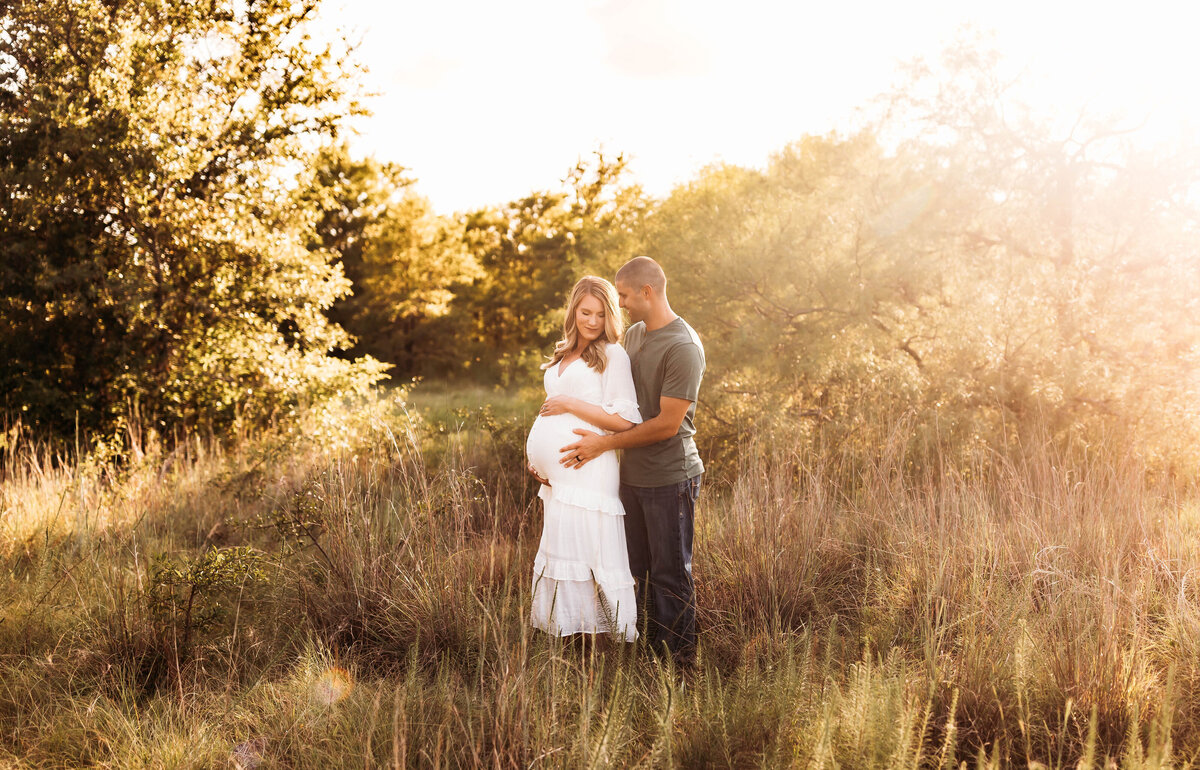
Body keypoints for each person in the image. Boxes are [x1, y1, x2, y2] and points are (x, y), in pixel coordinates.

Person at [560, 256, 705, 667]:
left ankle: (679, 669)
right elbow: (614, 397)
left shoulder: (683, 346)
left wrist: (604, 444)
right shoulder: (638, 335)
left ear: (647, 292)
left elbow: (667, 425)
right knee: (635, 573)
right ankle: (647, 660)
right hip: (632, 477)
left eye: (622, 295)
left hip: (670, 478)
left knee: (670, 576)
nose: (618, 303)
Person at [525, 276, 643, 640]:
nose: (592, 321)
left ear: (610, 317)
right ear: (573, 310)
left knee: (591, 552)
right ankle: (571, 637)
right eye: (585, 312)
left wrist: (572, 403)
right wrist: (537, 461)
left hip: (589, 469)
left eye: (600, 314)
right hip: (560, 478)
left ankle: (604, 642)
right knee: (565, 550)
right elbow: (550, 412)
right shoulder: (563, 352)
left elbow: (626, 420)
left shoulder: (612, 355)